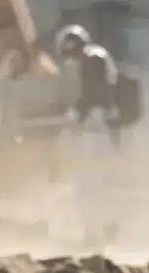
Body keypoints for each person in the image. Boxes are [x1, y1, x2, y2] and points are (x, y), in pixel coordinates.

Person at [52, 24, 125, 248]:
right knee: (97, 184)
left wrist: (74, 116)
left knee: (87, 184)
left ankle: (95, 236)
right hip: (103, 131)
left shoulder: (92, 60)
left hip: (97, 132)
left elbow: (91, 94)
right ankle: (103, 231)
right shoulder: (99, 57)